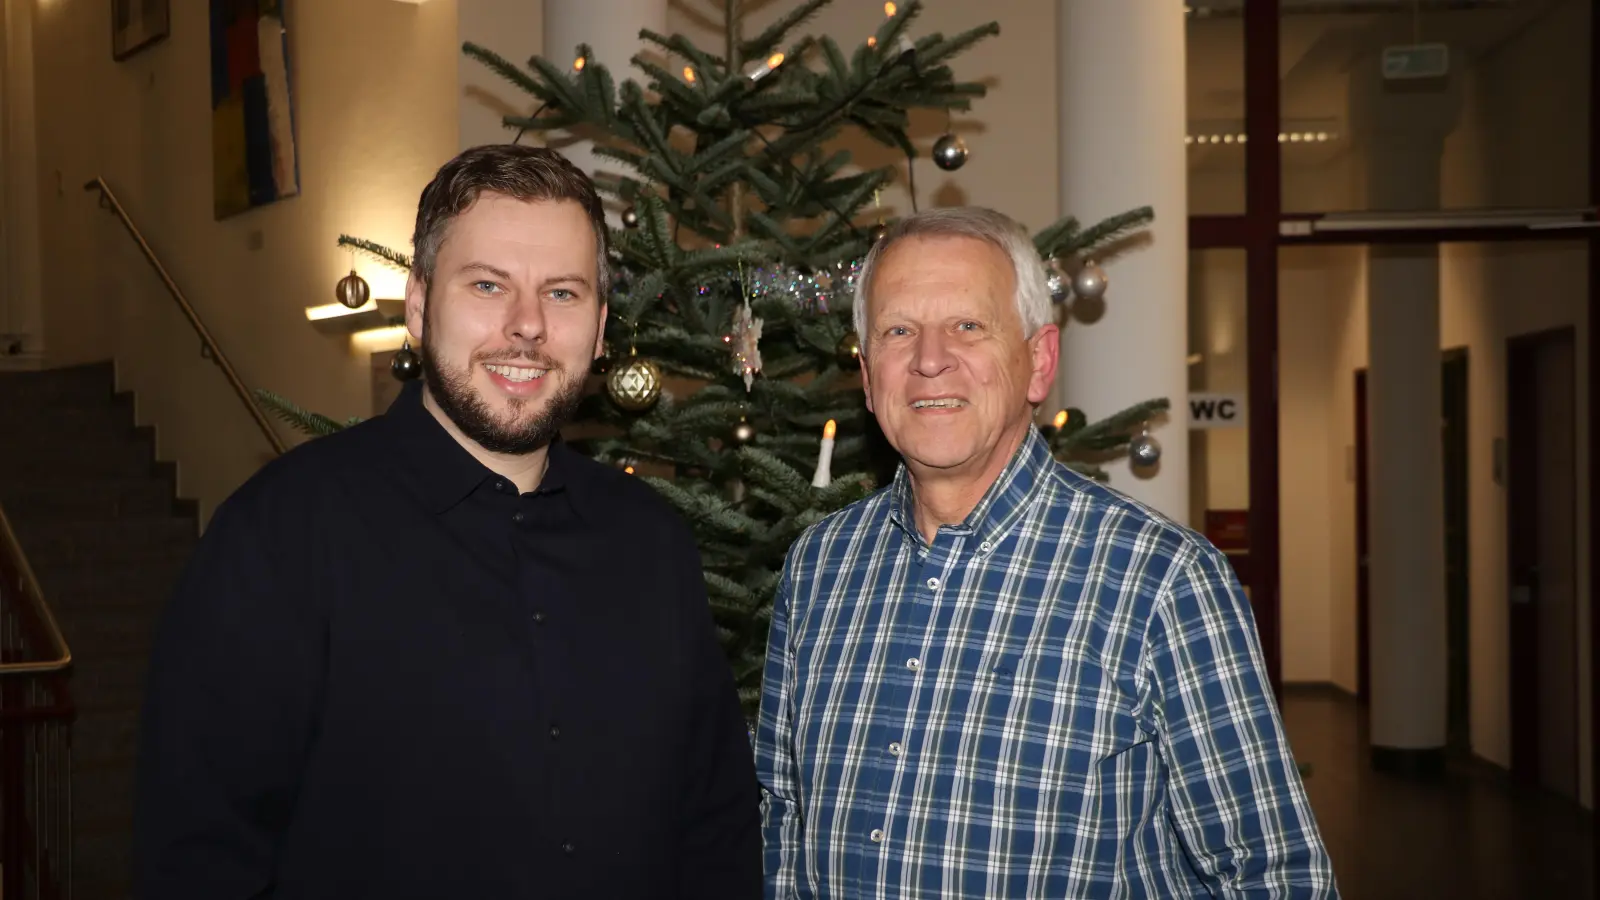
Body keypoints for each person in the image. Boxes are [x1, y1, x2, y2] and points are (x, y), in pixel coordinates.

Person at [133, 145, 761, 898]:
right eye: (489, 285)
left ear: (599, 330)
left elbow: (715, 826)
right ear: (421, 306)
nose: (527, 326)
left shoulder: (651, 543)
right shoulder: (280, 538)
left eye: (562, 294)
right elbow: (197, 857)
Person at [752, 206, 1339, 898]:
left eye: (968, 326)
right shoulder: (822, 565)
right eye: (897, 330)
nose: (929, 359)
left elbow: (1276, 877)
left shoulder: (1162, 582)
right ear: (867, 373)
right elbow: (783, 818)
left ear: (1039, 361)